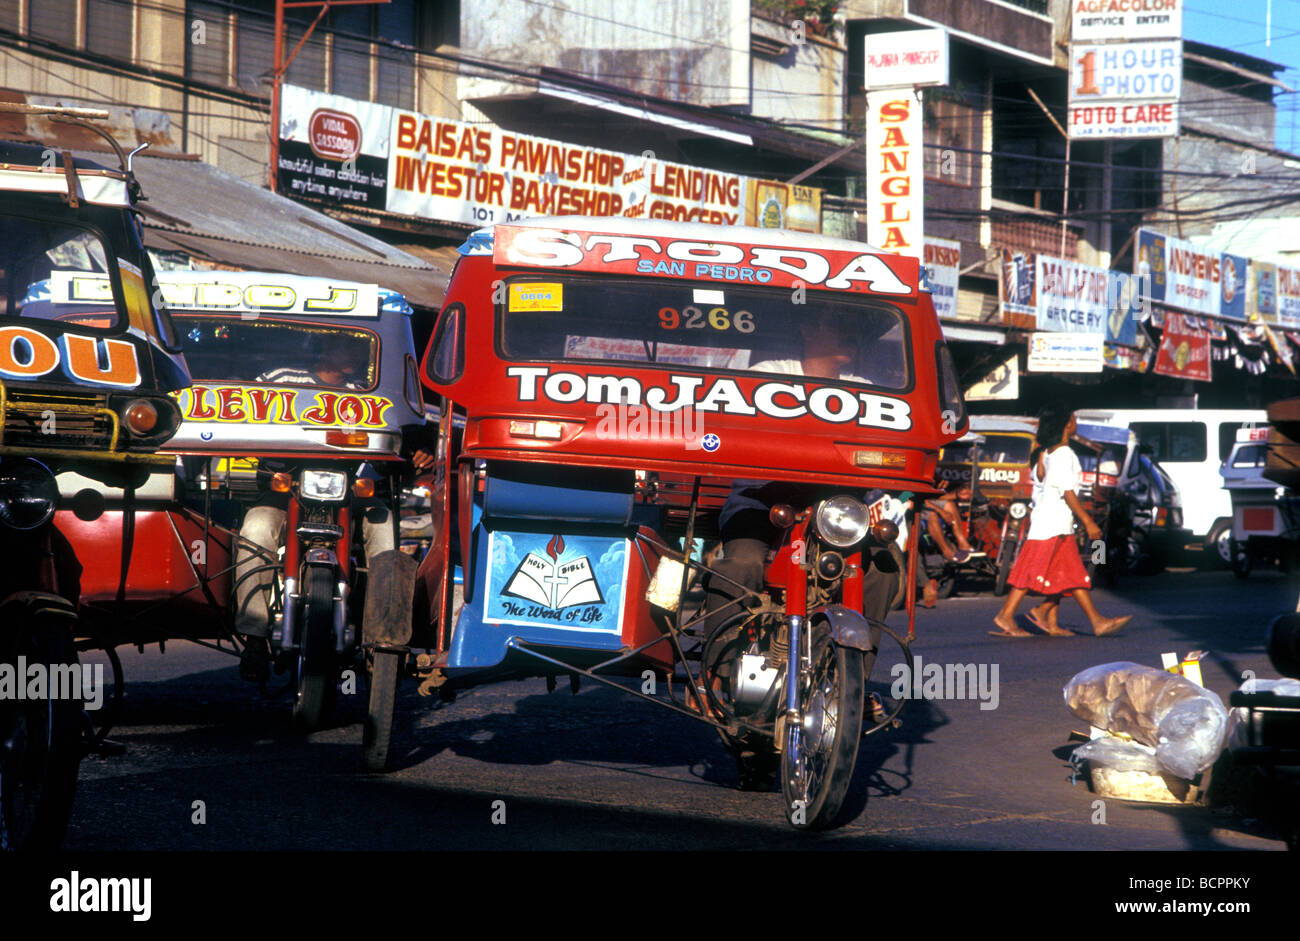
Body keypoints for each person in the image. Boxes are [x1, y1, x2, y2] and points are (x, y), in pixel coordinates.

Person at [234, 343, 434, 680]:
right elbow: (244, 414)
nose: (356, 355)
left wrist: (417, 451)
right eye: (348, 346)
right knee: (255, 528)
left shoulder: (369, 390)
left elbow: (399, 431)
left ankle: (381, 640)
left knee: (383, 522)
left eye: (360, 347)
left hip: (349, 492)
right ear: (321, 349)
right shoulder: (279, 378)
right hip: (287, 491)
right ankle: (254, 636)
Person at [704, 311, 898, 636]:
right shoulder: (767, 375)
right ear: (807, 327)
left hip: (835, 513)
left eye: (856, 329)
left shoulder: (865, 391)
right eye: (840, 323)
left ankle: (853, 676)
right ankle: (714, 674)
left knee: (883, 567)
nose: (851, 334)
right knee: (740, 565)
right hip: (761, 503)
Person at [991, 405, 1132, 638]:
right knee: (1032, 571)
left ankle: (1051, 619)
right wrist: (1088, 522)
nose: (1075, 422)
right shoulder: (1064, 454)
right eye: (1073, 418)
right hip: (1052, 522)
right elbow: (1067, 492)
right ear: (1067, 424)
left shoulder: (1049, 453)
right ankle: (1007, 614)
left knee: (1066, 574)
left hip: (1053, 520)